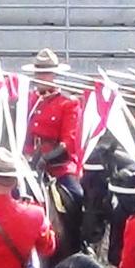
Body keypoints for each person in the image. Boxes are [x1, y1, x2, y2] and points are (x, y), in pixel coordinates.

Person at [24, 49, 84, 210]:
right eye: (39, 73)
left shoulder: (68, 102)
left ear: (54, 75)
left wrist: (46, 159)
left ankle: (79, 235)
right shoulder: (28, 99)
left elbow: (69, 142)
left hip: (58, 165)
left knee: (77, 196)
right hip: (28, 161)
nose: (41, 78)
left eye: (46, 73)